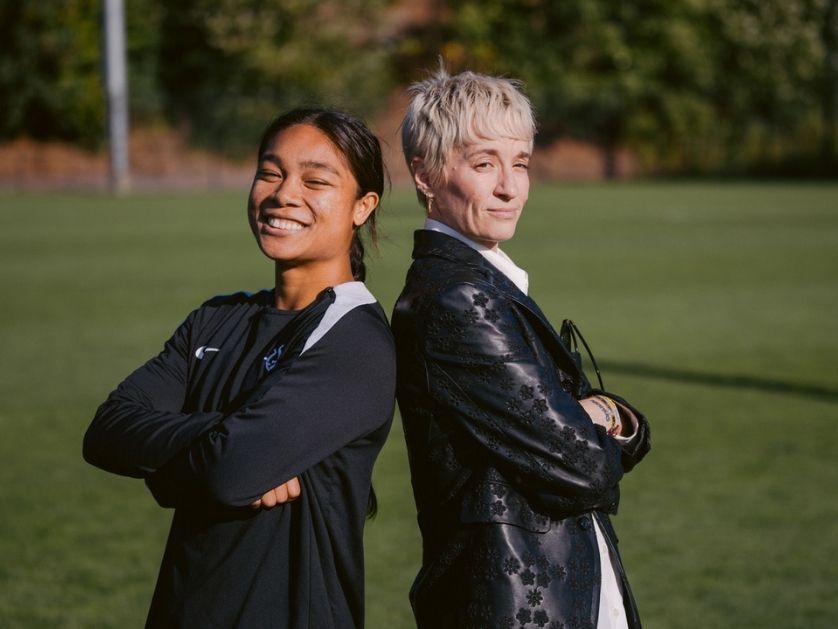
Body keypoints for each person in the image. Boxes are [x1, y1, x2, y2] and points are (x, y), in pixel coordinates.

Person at [83, 108, 396, 628]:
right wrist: (219, 438)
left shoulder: (355, 338)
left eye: (315, 180)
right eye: (270, 172)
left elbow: (231, 472)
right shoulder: (215, 319)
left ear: (362, 207)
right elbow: (107, 430)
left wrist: (177, 468)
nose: (283, 194)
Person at [391, 69, 652, 629]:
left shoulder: (486, 284)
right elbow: (586, 467)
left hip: (561, 592)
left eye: (521, 163)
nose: (510, 186)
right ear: (425, 174)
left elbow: (618, 436)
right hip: (513, 606)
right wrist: (597, 414)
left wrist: (603, 414)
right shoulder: (457, 301)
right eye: (484, 163)